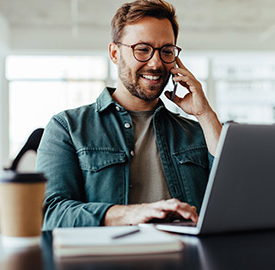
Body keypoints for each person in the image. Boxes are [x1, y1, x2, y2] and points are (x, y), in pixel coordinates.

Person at [36, 0, 222, 230]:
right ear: (115, 53)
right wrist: (133, 213)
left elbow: (234, 198)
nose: (156, 63)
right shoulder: (67, 127)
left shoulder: (196, 132)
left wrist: (205, 115)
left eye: (166, 51)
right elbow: (50, 213)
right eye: (142, 49)